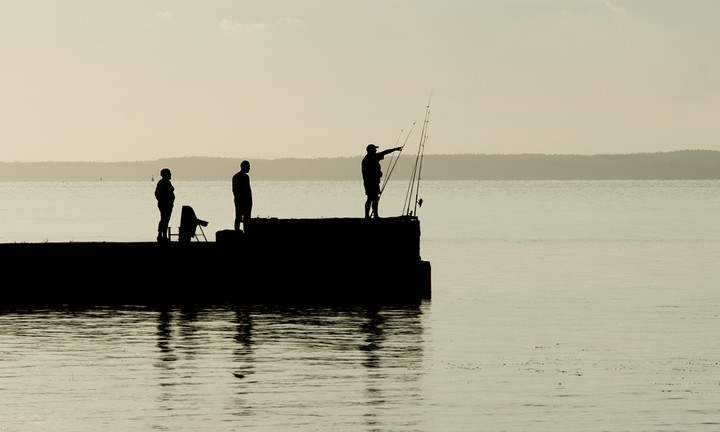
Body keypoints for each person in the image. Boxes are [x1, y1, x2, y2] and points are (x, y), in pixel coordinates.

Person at [362, 144, 401, 218]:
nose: (376, 151)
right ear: (371, 150)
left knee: (372, 198)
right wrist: (395, 149)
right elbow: (384, 152)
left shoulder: (368, 159)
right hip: (371, 182)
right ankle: (373, 215)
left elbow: (383, 153)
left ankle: (369, 215)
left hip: (370, 182)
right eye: (375, 149)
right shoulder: (371, 158)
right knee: (372, 199)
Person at [154, 168, 175, 242]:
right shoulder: (164, 182)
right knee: (165, 220)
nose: (170, 174)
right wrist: (163, 201)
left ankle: (161, 235)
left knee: (164, 219)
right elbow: (158, 193)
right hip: (165, 204)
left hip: (165, 204)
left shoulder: (163, 182)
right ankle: (162, 236)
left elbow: (156, 193)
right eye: (169, 173)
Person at [232, 160, 253, 231]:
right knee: (245, 218)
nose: (249, 168)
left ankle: (237, 232)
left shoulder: (235, 177)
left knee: (238, 217)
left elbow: (234, 191)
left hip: (239, 200)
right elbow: (247, 190)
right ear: (244, 167)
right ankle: (243, 233)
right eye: (248, 166)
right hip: (243, 201)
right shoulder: (245, 177)